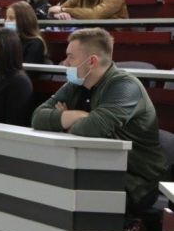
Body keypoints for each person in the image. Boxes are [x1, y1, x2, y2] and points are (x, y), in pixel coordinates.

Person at [32, 28, 166, 212]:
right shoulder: (76, 84)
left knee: (62, 199)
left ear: (92, 61)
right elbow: (37, 117)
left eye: (70, 57)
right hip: (92, 167)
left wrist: (63, 124)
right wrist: (77, 115)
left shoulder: (125, 86)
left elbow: (90, 129)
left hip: (133, 180)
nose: (64, 63)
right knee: (43, 185)